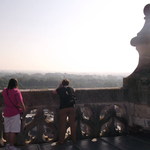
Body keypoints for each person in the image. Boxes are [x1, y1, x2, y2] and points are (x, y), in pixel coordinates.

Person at [2, 78, 26, 150]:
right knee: (13, 131)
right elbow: (20, 103)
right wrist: (24, 110)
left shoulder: (4, 91)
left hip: (6, 113)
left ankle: (7, 145)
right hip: (14, 113)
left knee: (7, 131)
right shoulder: (16, 92)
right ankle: (11, 147)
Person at [53, 79, 76, 144]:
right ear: (68, 83)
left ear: (62, 84)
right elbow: (74, 91)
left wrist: (59, 86)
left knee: (63, 125)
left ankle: (61, 140)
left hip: (63, 108)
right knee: (72, 124)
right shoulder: (71, 89)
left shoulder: (60, 89)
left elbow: (53, 92)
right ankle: (74, 139)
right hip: (72, 107)